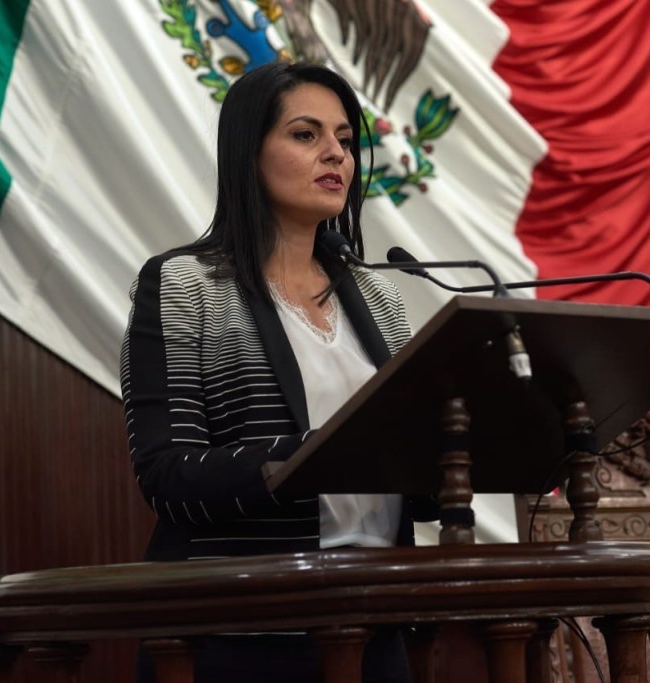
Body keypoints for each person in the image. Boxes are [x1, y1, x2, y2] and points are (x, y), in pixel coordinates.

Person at [121, 62, 434, 683]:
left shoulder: (380, 298)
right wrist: (312, 457)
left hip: (376, 623)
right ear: (248, 152)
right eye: (305, 135)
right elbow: (166, 475)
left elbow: (413, 476)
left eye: (345, 140)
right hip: (241, 627)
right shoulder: (186, 285)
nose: (335, 156)